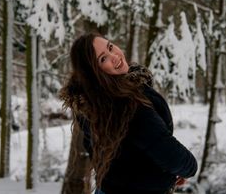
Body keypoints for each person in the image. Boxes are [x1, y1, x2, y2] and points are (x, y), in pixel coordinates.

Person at [60, 33, 197, 194]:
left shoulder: (90, 104)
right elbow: (168, 151)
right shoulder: (126, 105)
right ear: (93, 72)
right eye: (103, 59)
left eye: (110, 47)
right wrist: (188, 168)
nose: (114, 56)